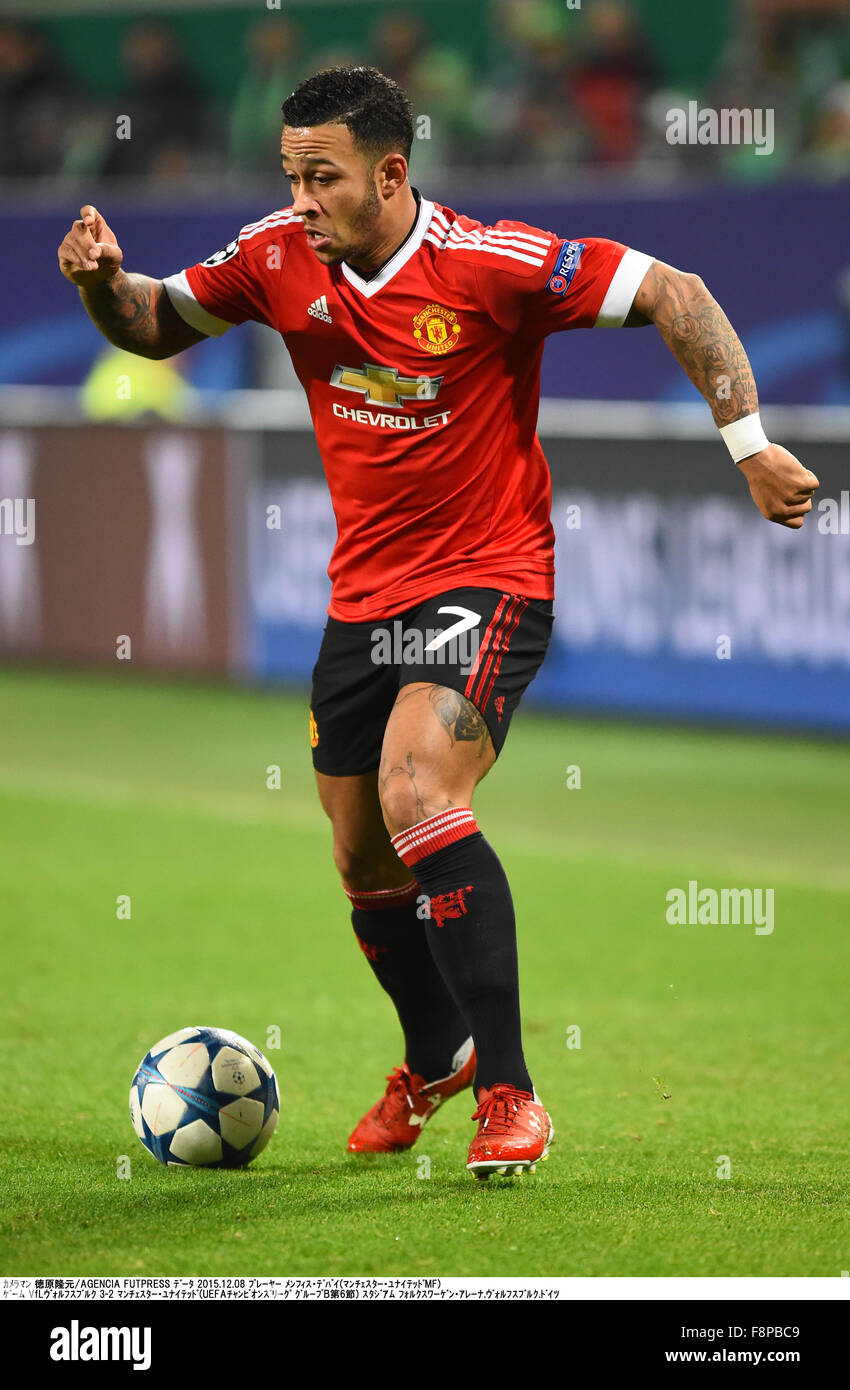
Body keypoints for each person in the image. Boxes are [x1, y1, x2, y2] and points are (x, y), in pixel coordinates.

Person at [57, 65, 819, 1179]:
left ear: (391, 171)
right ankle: (436, 1047)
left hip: (491, 574)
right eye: (290, 175)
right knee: (363, 854)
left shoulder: (489, 264)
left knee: (419, 788)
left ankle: (508, 1090)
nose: (301, 198)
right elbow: (154, 323)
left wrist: (748, 446)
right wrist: (99, 282)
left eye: (323, 178)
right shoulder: (275, 255)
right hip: (362, 597)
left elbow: (678, 290)